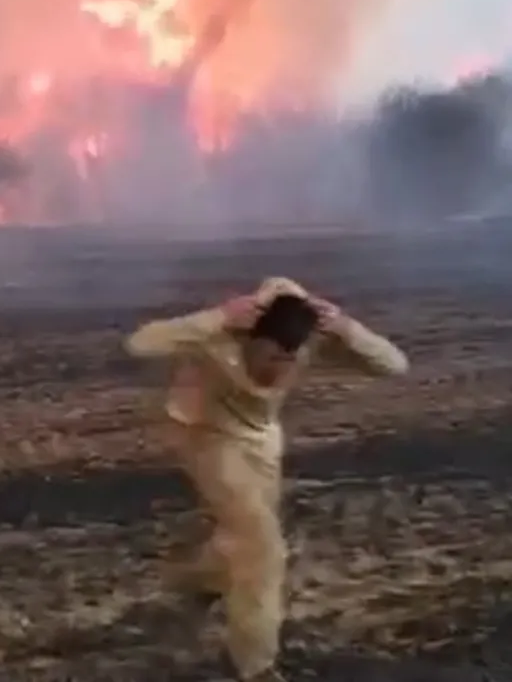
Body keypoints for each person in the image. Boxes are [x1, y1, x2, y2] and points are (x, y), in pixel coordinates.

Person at [125, 277, 408, 682]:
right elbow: (140, 342)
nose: (279, 369)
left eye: (289, 359)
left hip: (259, 442)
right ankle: (257, 667)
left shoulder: (306, 336)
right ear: (250, 336)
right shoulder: (219, 333)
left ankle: (195, 582)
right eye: (271, 356)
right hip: (204, 433)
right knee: (262, 546)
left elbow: (394, 365)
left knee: (243, 536)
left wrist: (348, 328)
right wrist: (217, 316)